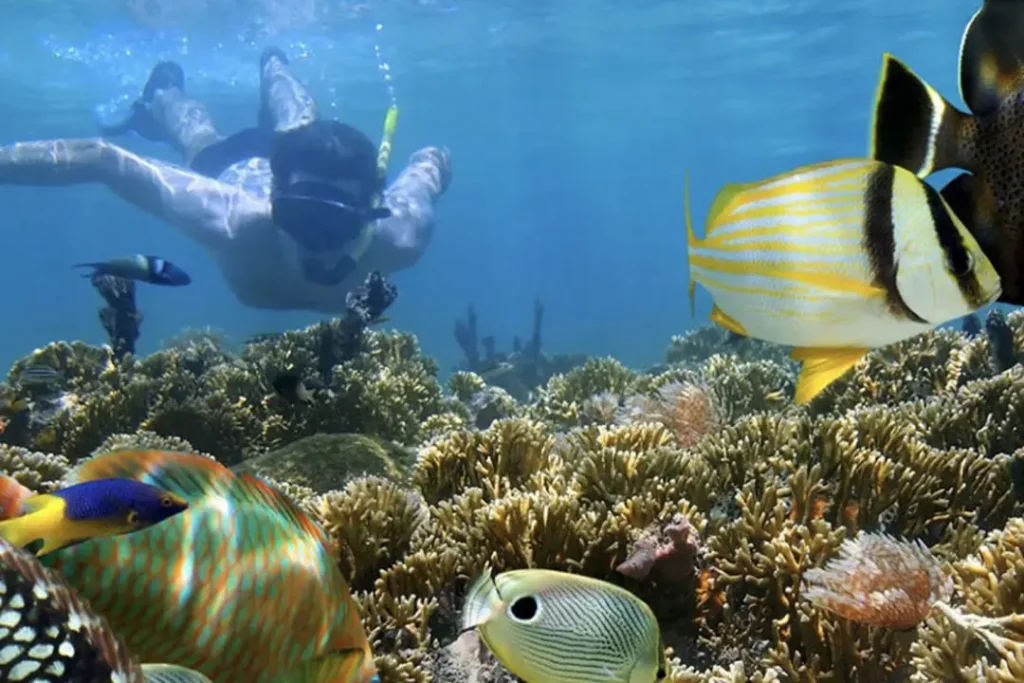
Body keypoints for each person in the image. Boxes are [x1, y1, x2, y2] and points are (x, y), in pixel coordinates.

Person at [0, 47, 451, 312]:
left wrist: (435, 161)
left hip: (291, 168)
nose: (317, 243)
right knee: (201, 137)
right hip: (233, 171)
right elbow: (101, 159)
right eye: (298, 216)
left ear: (370, 213)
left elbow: (428, 168)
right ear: (275, 200)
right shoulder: (232, 220)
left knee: (288, 125)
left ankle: (271, 66)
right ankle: (174, 88)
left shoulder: (400, 236)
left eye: (335, 223)